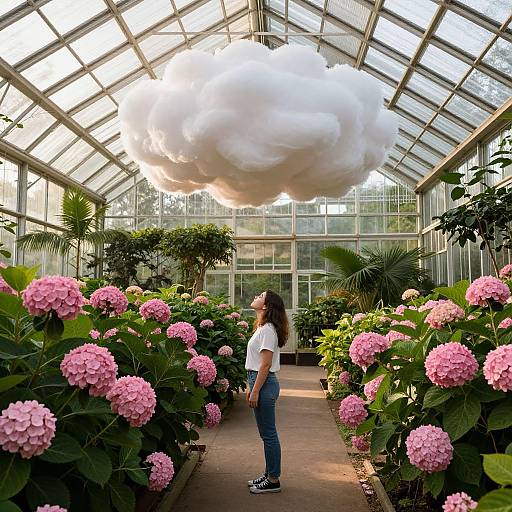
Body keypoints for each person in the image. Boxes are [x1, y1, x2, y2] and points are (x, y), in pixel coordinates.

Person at [245, 290, 288, 494]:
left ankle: (273, 479)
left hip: (264, 383)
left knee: (269, 435)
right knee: (266, 435)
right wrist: (251, 388)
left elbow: (265, 365)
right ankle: (268, 473)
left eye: (260, 295)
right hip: (259, 382)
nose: (256, 296)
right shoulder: (262, 328)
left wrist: (255, 391)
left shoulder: (268, 330)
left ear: (266, 306)